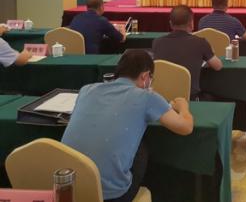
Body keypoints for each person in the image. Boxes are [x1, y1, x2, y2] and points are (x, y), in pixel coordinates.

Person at [62, 49, 193, 202]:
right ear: (145, 76)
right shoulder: (147, 97)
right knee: (141, 148)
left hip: (68, 187)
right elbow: (185, 127)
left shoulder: (86, 90)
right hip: (111, 195)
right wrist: (183, 107)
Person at [152, 5, 223, 100]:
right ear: (191, 24)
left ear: (170, 24)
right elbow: (218, 66)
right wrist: (210, 52)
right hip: (189, 99)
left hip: (161, 99)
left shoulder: (157, 42)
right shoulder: (201, 42)